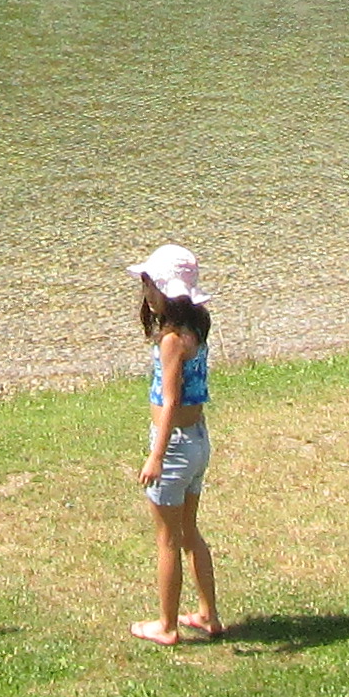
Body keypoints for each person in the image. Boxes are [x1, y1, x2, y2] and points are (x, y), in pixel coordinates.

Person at [131, 245, 220, 644]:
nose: (144, 291)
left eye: (148, 283)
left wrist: (156, 455)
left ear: (162, 289)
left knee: (167, 540)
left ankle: (165, 626)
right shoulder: (198, 325)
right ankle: (208, 614)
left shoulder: (171, 340)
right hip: (198, 439)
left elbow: (170, 399)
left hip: (176, 445)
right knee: (189, 533)